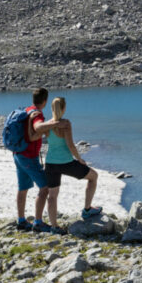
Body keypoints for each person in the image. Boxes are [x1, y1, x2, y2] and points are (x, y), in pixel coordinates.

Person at [43, 96, 101, 232]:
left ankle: (54, 226)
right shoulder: (66, 124)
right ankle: (87, 209)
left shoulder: (46, 125)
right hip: (66, 162)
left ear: (51, 108)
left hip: (50, 163)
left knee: (52, 195)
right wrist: (80, 159)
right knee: (93, 177)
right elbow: (71, 145)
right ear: (63, 108)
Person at [14, 87, 67, 232]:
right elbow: (37, 127)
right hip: (29, 157)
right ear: (45, 101)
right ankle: (38, 222)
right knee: (44, 188)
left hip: (18, 153)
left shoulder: (27, 110)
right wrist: (55, 124)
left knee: (23, 188)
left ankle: (21, 221)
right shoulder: (37, 114)